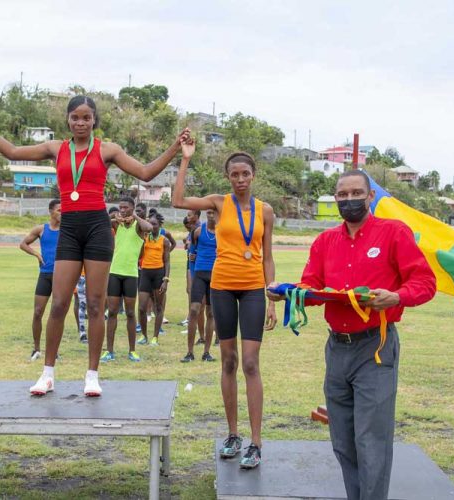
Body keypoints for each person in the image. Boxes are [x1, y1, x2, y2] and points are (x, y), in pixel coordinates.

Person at [0, 97, 189, 397]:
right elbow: (12, 151)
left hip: (97, 229)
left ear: (94, 120)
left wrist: (175, 146)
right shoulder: (56, 148)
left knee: (96, 305)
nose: (80, 123)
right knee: (58, 303)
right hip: (69, 230)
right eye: (75, 118)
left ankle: (92, 375)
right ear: (67, 120)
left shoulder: (108, 150)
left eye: (86, 118)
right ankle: (47, 373)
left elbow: (145, 173)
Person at [270, 169, 436, 499]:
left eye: (356, 193)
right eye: (342, 195)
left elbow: (424, 283)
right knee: (343, 439)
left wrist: (397, 296)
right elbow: (313, 288)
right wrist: (287, 292)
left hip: (375, 346)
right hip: (337, 349)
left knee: (371, 440)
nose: (349, 200)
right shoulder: (325, 241)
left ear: (370, 196)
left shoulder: (394, 233)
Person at [172, 140, 277, 469]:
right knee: (228, 361)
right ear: (228, 177)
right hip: (221, 288)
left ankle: (256, 442)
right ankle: (233, 435)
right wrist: (185, 160)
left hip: (251, 291)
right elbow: (177, 200)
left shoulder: (266, 211)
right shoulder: (218, 203)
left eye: (245, 173)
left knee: (250, 363)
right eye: (234, 174)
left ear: (253, 176)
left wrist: (271, 297)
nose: (240, 179)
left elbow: (268, 256)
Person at [101, 197, 151, 362]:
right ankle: (109, 351)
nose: (122, 210)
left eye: (126, 208)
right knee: (113, 312)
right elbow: (101, 220)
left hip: (131, 274)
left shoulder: (138, 226)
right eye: (120, 207)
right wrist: (115, 218)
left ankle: (132, 351)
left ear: (133, 208)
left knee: (130, 313)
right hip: (115, 273)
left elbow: (149, 227)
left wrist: (135, 217)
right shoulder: (118, 224)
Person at [19, 199, 61, 361]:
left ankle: (54, 350)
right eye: (59, 210)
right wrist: (37, 254)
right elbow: (23, 244)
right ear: (50, 211)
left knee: (56, 314)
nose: (61, 213)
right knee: (38, 312)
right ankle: (36, 349)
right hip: (45, 274)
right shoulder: (41, 229)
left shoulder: (67, 230)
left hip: (61, 277)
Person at [181, 208, 216, 363]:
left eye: (214, 212)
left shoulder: (223, 233)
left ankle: (206, 352)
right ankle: (189, 352)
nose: (211, 215)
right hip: (200, 276)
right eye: (209, 212)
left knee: (211, 314)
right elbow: (192, 256)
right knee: (194, 310)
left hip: (216, 277)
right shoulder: (197, 232)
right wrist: (193, 278)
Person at [137, 213, 172, 346]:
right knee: (141, 307)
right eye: (150, 224)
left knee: (158, 307)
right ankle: (144, 336)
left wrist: (165, 280)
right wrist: (141, 241)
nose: (152, 226)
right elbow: (139, 256)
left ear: (160, 225)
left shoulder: (165, 241)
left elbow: (167, 261)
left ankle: (155, 337)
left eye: (155, 224)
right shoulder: (145, 238)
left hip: (159, 274)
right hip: (145, 273)